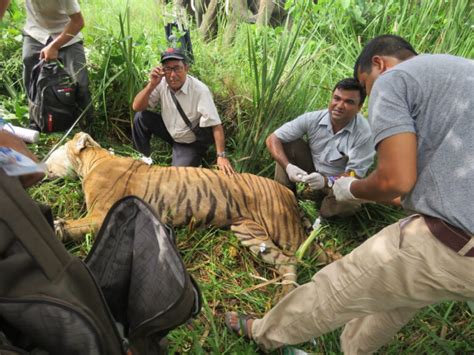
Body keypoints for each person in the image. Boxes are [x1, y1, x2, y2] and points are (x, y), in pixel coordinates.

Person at [225, 35, 474, 353]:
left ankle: (263, 332)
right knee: (395, 300)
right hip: (460, 249)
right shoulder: (462, 74)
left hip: (448, 239)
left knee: (337, 285)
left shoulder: (395, 79)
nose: (368, 99)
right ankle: (354, 350)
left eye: (365, 89)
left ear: (378, 65)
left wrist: (348, 187)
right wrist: (292, 170)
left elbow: (394, 181)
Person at [266, 78, 374, 218]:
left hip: (338, 183)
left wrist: (326, 181)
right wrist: (288, 167)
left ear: (359, 108)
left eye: (349, 102)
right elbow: (272, 139)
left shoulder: (364, 134)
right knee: (287, 144)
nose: (340, 105)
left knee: (347, 202)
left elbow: (355, 175)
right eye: (337, 98)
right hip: (312, 170)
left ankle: (326, 209)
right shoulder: (313, 119)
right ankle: (284, 196)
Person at [132, 47, 235, 174]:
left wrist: (221, 156)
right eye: (168, 69)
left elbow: (216, 125)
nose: (172, 75)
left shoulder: (200, 91)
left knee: (177, 176)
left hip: (189, 142)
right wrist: (151, 85)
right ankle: (143, 159)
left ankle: (194, 158)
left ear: (186, 68)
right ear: (162, 71)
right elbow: (136, 107)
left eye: (177, 68)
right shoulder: (161, 83)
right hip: (169, 130)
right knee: (141, 117)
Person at [0, 0, 93, 130]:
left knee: (81, 82)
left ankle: (87, 126)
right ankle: (36, 121)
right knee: (31, 75)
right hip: (36, 32)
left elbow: (78, 22)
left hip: (67, 34)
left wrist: (54, 46)